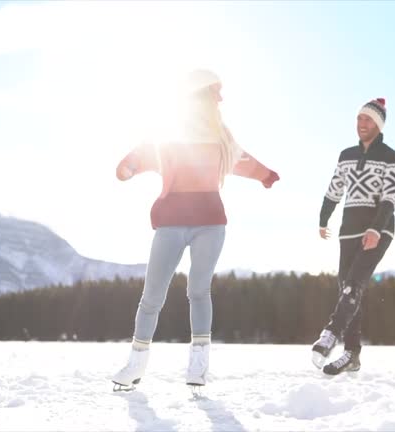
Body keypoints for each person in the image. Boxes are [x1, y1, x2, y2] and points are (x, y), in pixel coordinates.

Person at [112, 69, 280, 391]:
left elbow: (242, 160)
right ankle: (135, 365)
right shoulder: (170, 130)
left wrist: (265, 174)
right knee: (152, 296)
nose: (220, 99)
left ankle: (198, 366)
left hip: (210, 223)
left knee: (198, 291)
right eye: (215, 92)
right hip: (171, 223)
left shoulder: (222, 136)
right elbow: (143, 154)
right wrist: (128, 167)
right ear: (199, 96)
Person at [312, 97, 395, 375]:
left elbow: (390, 198)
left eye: (368, 120)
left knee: (354, 283)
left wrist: (376, 229)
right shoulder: (346, 155)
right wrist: (323, 218)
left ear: (379, 124)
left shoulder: (391, 157)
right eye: (359, 119)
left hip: (378, 229)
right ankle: (352, 354)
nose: (362, 124)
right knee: (347, 288)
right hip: (348, 230)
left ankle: (330, 334)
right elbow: (335, 189)